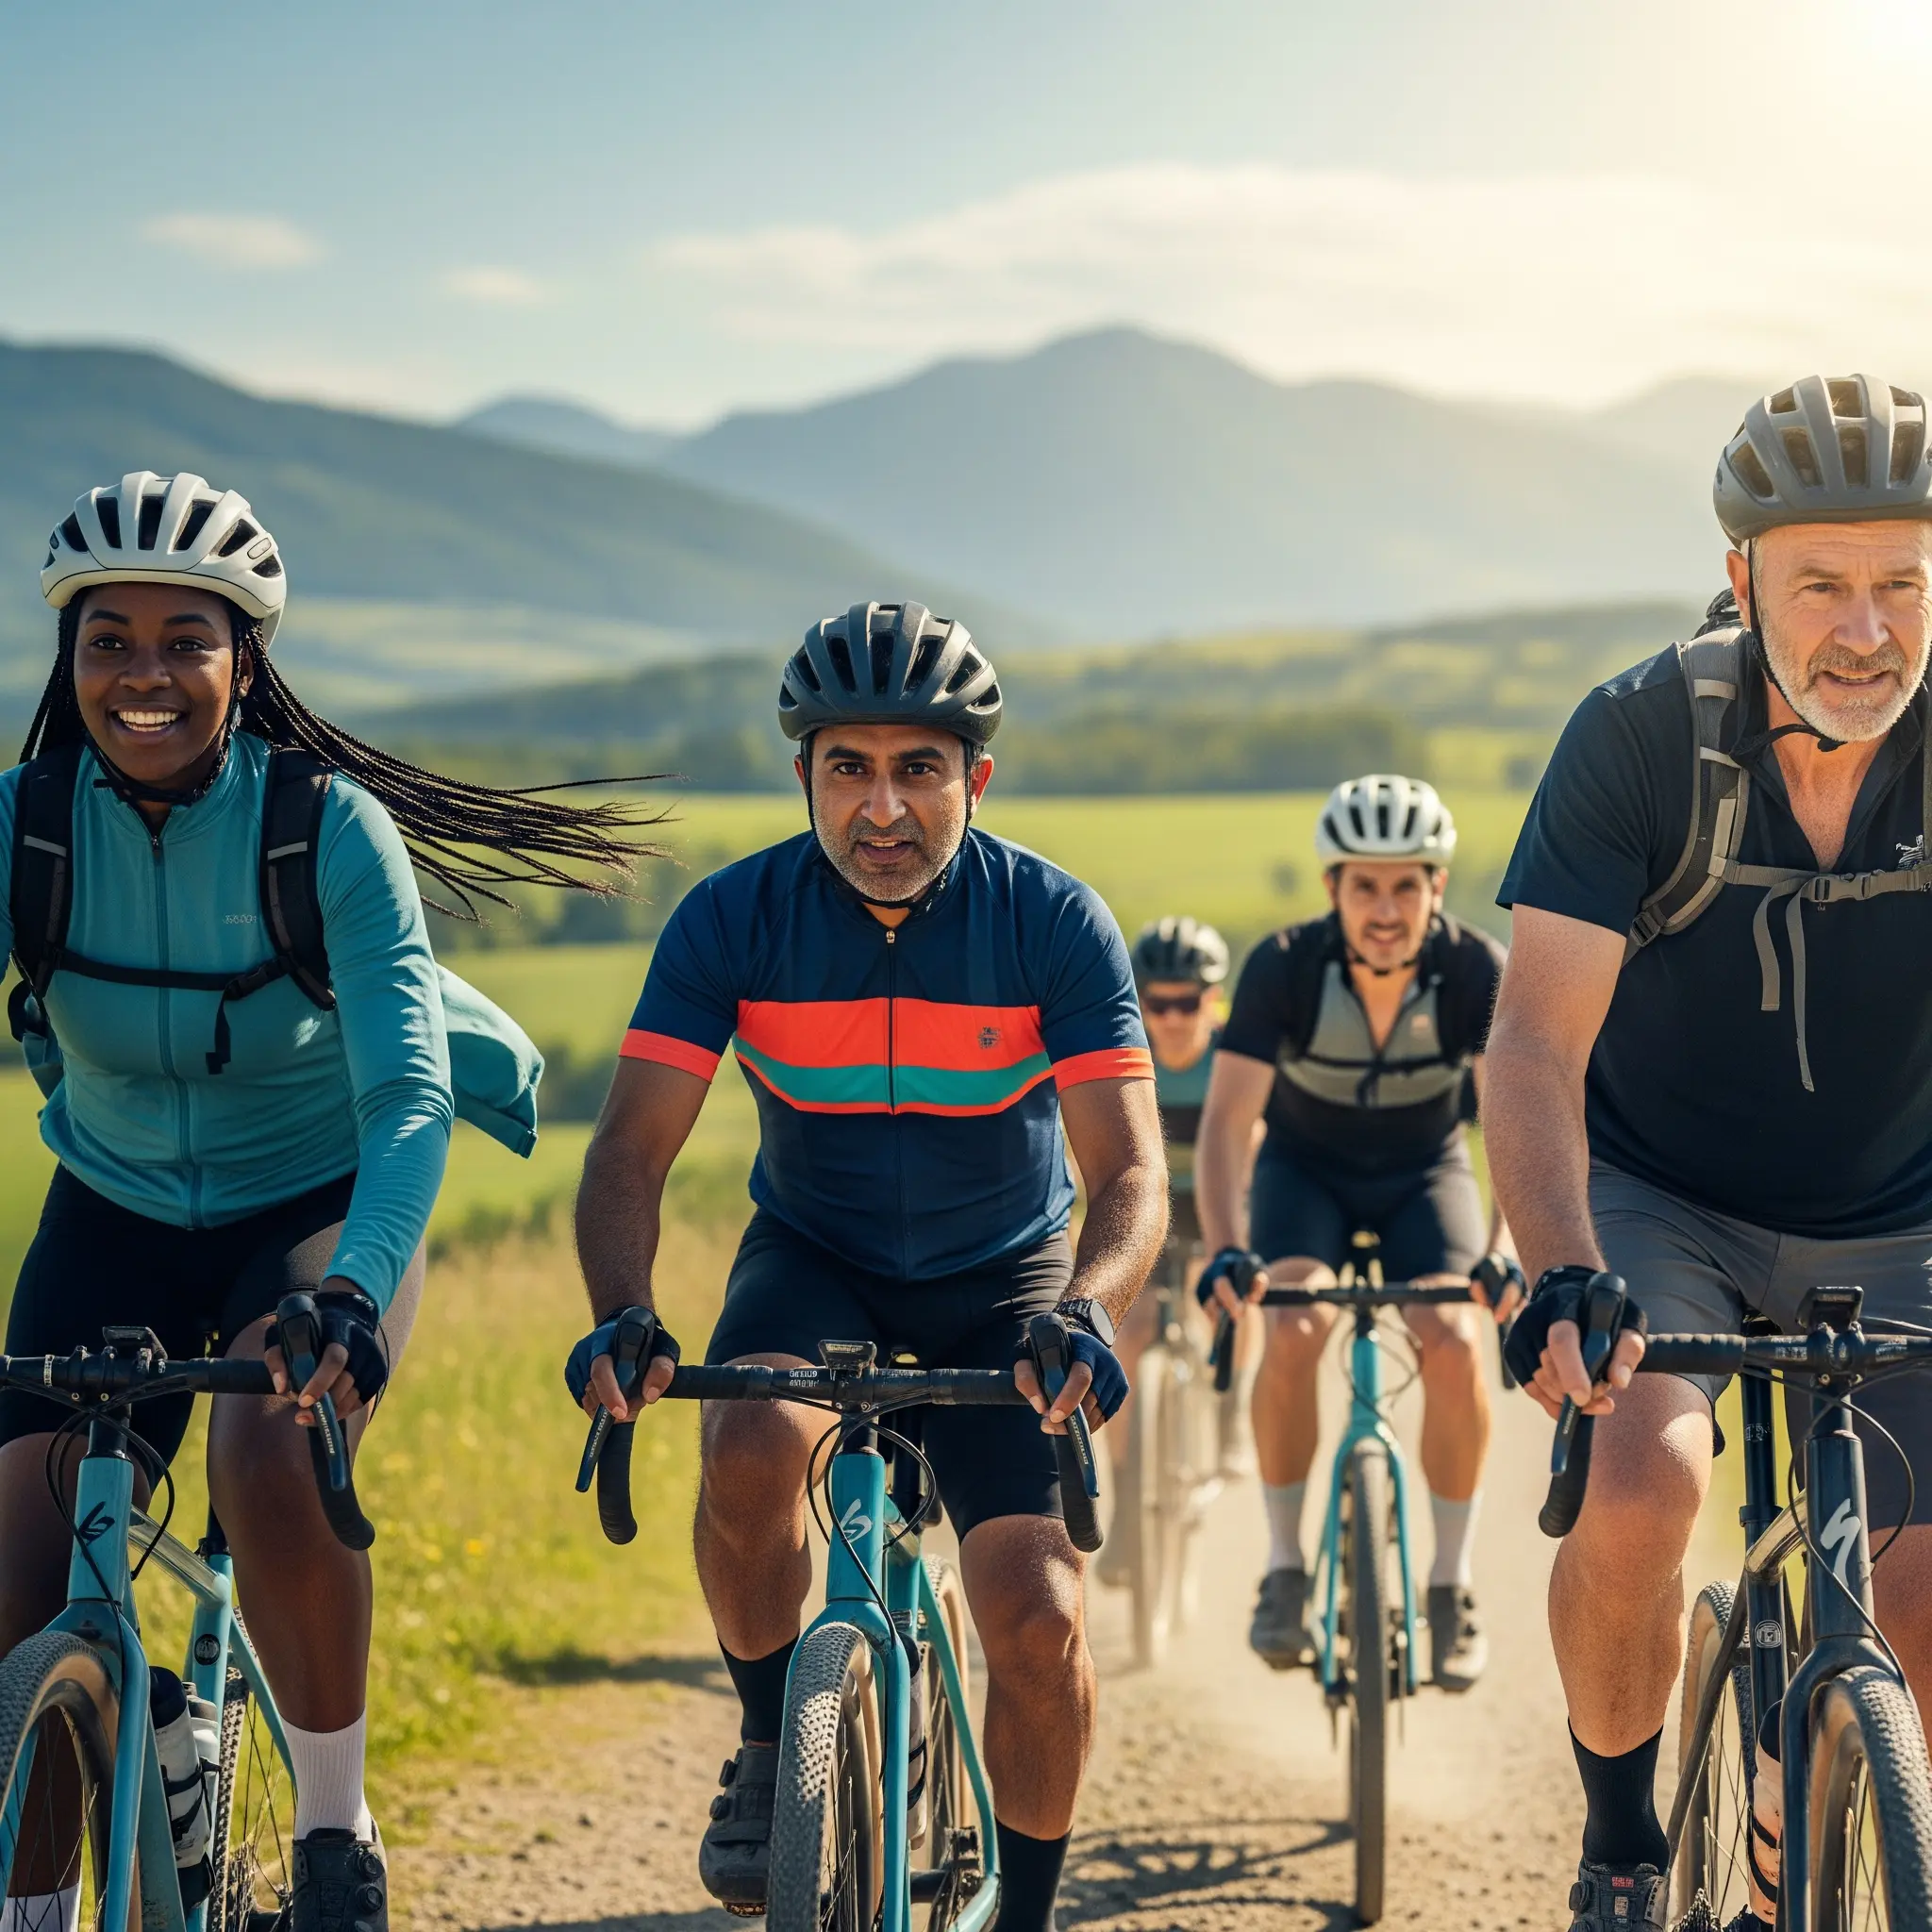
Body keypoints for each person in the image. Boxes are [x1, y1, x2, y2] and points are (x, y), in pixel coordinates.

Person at [0, 473, 655, 1932]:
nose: (145, 674)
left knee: (273, 1449)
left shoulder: (326, 832)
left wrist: (353, 1290)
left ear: (245, 663)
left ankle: (331, 1834)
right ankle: (36, 1892)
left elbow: (408, 1099)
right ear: (69, 657)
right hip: (109, 1207)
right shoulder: (22, 829)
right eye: (110, 640)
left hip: (312, 1209)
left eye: (187, 639)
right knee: (15, 1569)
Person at [569, 601, 1165, 1932]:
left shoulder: (1051, 921)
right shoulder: (732, 918)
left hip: (1006, 1276)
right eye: (849, 767)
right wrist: (624, 1312)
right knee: (746, 1446)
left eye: (918, 769)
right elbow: (627, 1154)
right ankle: (769, 1737)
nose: (882, 807)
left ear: (976, 779)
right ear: (804, 775)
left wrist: (1088, 1307)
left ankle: (1025, 1914)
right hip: (815, 1254)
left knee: (1038, 1616)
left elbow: (1130, 1170)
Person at [1485, 373, 1932, 1931]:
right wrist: (1561, 1271)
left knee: (1923, 1607)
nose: (1865, 630)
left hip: (1901, 1215)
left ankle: (1814, 1819)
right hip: (1660, 1201)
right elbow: (1531, 1047)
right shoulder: (1636, 736)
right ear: (1741, 580)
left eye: (1902, 583)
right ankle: (1620, 1845)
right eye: (1820, 584)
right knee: (1642, 1484)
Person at [1192, 774, 1520, 1692]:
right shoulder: (1283, 966)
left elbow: (1509, 1129)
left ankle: (1449, 1583)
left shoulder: (1475, 970)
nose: (1384, 909)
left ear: (1435, 887)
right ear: (1331, 887)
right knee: (1292, 1323)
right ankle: (1283, 1565)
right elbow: (1226, 1127)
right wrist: (1227, 1246)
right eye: (1364, 886)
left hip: (1424, 1174)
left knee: (1453, 1335)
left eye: (1405, 886)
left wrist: (1503, 1250)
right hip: (1305, 1174)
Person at [1096, 915, 1246, 1586]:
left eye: (1189, 1002)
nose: (1174, 1018)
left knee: (1227, 1290)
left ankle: (1231, 1411)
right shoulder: (1126, 1050)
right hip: (1151, 1205)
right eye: (1157, 1003)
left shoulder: (1235, 1055)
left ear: (1214, 999)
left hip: (1217, 1200)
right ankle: (1129, 1506)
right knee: (1129, 1338)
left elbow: (1254, 1142)